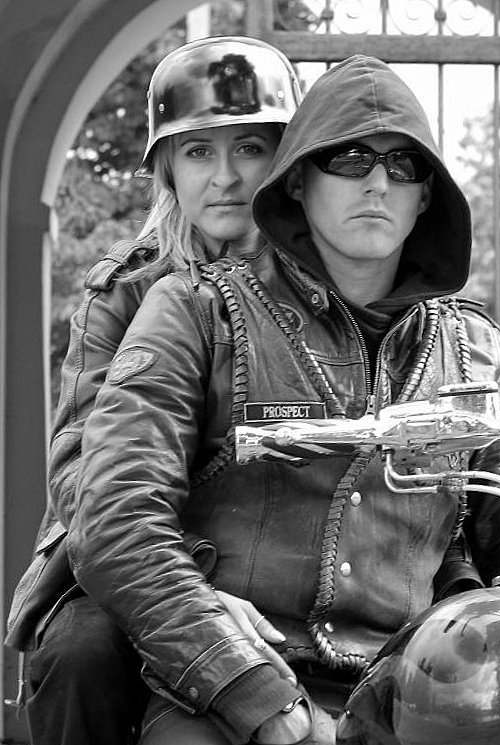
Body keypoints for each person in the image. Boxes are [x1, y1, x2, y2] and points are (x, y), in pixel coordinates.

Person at [64, 53, 500, 745]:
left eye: (404, 166)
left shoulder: (472, 347)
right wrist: (259, 697)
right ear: (298, 179)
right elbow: (114, 512)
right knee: (78, 652)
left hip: (416, 686)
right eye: (349, 159)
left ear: (427, 195)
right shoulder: (193, 308)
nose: (378, 183)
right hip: (229, 681)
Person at [5, 35, 302, 745]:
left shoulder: (323, 287)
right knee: (82, 652)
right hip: (134, 557)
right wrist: (191, 584)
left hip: (283, 551)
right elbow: (81, 476)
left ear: (286, 161)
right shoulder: (123, 291)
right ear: (167, 167)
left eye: (250, 148)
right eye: (198, 151)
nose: (225, 177)